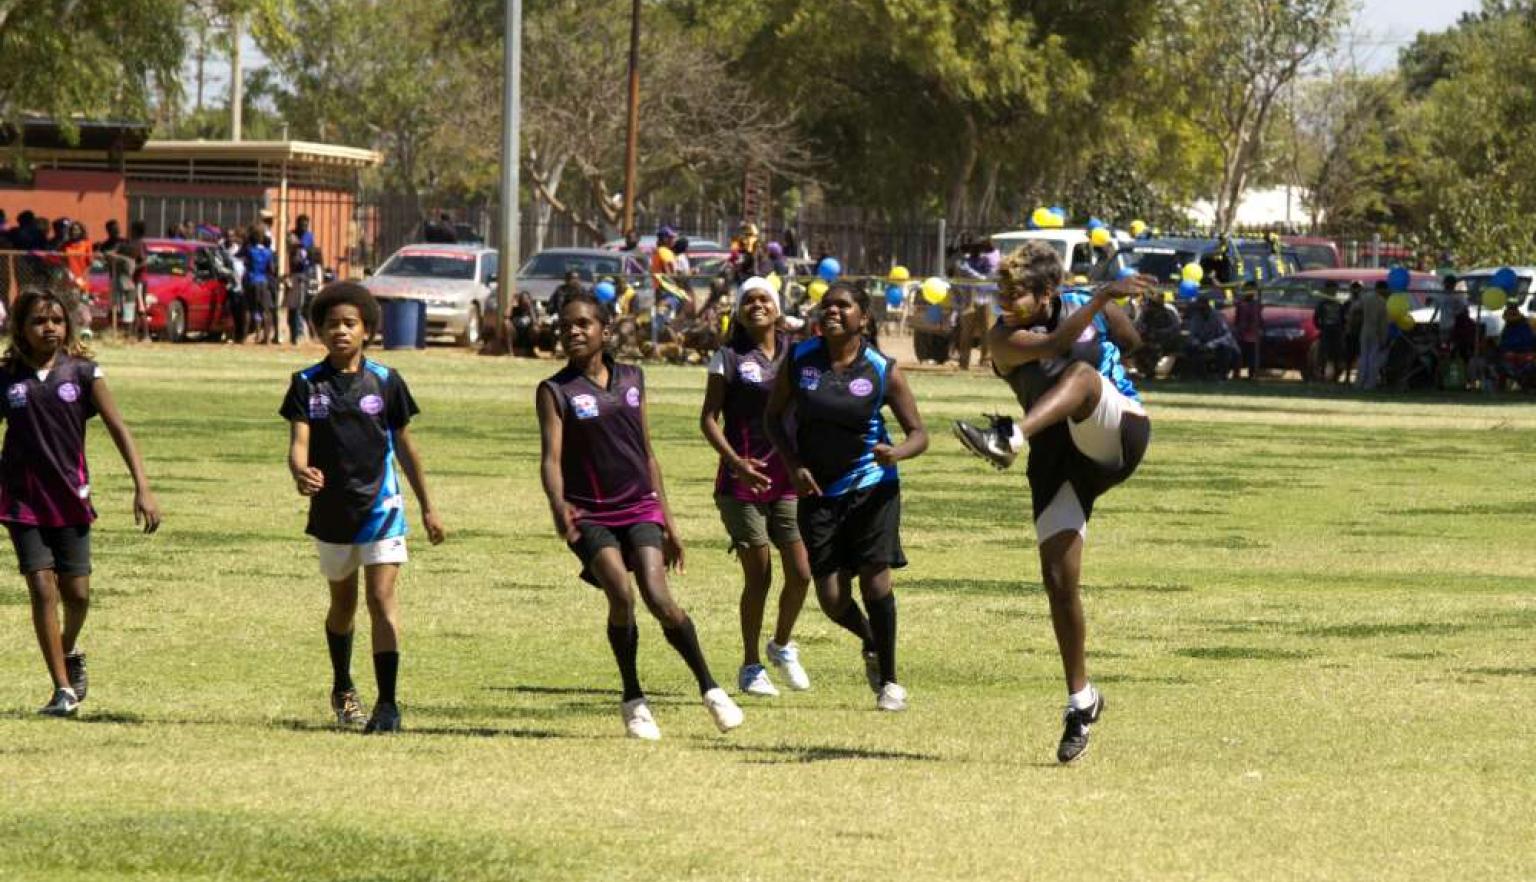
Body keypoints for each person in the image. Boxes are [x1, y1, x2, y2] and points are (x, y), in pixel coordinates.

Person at [951, 242, 1151, 763]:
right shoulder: (1003, 337)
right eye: (1003, 293)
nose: (1006, 303)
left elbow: (1133, 341)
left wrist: (1116, 312)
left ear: (1049, 292)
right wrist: (1103, 296)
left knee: (1084, 379)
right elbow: (1058, 340)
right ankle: (1081, 701)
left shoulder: (1087, 302)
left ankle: (1008, 438)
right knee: (1060, 583)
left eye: (1017, 295)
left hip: (1117, 429)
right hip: (1058, 457)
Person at [536, 292, 744, 741]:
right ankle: (634, 701)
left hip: (639, 506)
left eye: (584, 323)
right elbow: (550, 460)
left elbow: (648, 454)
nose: (573, 331)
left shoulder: (633, 378)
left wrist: (670, 523)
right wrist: (558, 507)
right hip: (588, 512)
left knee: (659, 597)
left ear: (604, 331)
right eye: (566, 325)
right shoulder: (555, 391)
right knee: (621, 594)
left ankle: (711, 689)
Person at [280, 282, 445, 734]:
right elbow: (298, 446)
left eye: (350, 324)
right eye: (331, 324)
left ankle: (388, 705)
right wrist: (300, 472)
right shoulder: (306, 384)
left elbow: (407, 449)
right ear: (319, 330)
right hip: (332, 513)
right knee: (343, 606)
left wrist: (429, 506)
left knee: (381, 598)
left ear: (367, 330)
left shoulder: (387, 382)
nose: (341, 331)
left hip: (383, 508)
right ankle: (343, 684)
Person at [764, 281, 929, 713]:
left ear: (864, 318)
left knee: (876, 581)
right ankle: (871, 639)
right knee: (833, 599)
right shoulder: (799, 360)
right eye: (827, 305)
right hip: (817, 490)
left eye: (844, 305)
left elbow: (920, 434)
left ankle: (891, 682)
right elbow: (773, 419)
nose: (832, 311)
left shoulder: (882, 368)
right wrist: (794, 464)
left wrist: (896, 454)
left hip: (872, 484)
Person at [1, 290, 161, 716]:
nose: (49, 327)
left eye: (56, 319)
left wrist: (142, 486)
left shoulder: (84, 373)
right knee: (41, 588)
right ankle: (63, 690)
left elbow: (118, 429)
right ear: (21, 328)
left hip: (70, 498)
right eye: (38, 320)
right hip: (21, 501)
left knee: (78, 594)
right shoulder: (8, 375)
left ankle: (67, 652)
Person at [699, 277, 812, 698]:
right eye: (749, 300)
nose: (757, 305)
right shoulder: (727, 357)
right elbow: (708, 418)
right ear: (739, 310)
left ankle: (781, 645)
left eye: (765, 298)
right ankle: (751, 666)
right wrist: (736, 463)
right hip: (739, 483)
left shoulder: (798, 355)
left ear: (778, 308)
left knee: (801, 572)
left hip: (788, 477)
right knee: (759, 576)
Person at [1184, 295, 1239, 380]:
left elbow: (1226, 335)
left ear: (1207, 305)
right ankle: (1199, 375)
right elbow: (1192, 334)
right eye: (1198, 306)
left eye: (1201, 306)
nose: (1200, 308)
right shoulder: (1196, 317)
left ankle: (1222, 376)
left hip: (1216, 343)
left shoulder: (1217, 316)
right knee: (1189, 348)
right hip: (1201, 343)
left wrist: (1212, 344)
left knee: (1226, 348)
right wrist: (1197, 342)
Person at [1132, 289, 1181, 378]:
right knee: (1138, 346)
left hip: (1167, 339)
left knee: (1160, 348)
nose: (1152, 306)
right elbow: (1139, 325)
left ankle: (1157, 371)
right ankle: (1144, 371)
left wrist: (1159, 333)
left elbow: (1175, 327)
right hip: (1149, 337)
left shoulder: (1169, 310)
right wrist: (1146, 332)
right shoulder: (1146, 311)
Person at [284, 214, 315, 344]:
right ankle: (294, 333)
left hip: (303, 274)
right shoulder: (292, 234)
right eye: (302, 224)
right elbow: (289, 245)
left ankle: (299, 334)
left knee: (299, 306)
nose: (304, 227)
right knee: (291, 306)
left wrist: (294, 241)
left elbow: (301, 246)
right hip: (293, 274)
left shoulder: (308, 236)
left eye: (306, 225)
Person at [242, 228, 276, 345]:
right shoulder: (268, 252)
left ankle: (244, 337)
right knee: (265, 310)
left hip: (251, 280)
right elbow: (271, 269)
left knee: (249, 309)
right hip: (263, 281)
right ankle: (266, 338)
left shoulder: (250, 250)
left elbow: (246, 263)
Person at [1356, 281, 1390, 390]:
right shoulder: (1383, 302)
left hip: (1365, 329)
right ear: (1382, 289)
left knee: (1363, 357)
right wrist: (1383, 337)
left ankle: (1359, 382)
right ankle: (1370, 384)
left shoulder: (1365, 298)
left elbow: (1355, 309)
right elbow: (1383, 323)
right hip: (1375, 331)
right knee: (1373, 358)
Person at [1312, 281, 1348, 382]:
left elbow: (1343, 317)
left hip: (1337, 331)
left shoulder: (1339, 302)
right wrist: (1321, 327)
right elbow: (1316, 318)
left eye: (1334, 289)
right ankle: (1322, 374)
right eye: (1330, 289)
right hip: (1326, 331)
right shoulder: (1322, 303)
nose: (1333, 291)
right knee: (1324, 353)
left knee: (1337, 353)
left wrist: (1343, 327)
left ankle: (1336, 375)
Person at [1234, 280, 1262, 380]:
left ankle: (1252, 374)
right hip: (1241, 334)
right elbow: (1237, 319)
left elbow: (1259, 319)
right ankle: (1236, 374)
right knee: (1239, 355)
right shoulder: (1241, 304)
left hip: (1252, 335)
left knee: (1252, 356)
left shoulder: (1256, 305)